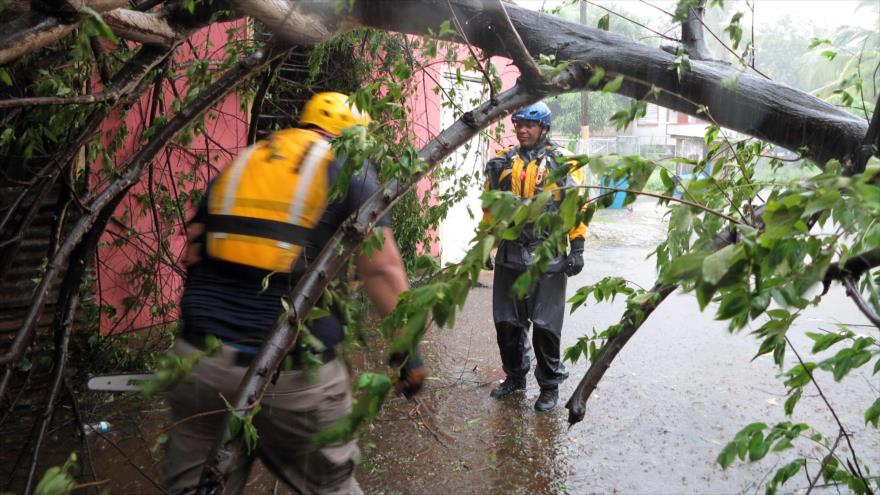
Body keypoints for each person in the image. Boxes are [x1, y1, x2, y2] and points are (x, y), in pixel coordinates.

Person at [161, 92, 424, 494]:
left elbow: (193, 249)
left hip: (199, 363)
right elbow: (383, 269)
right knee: (329, 484)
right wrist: (410, 356)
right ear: (354, 136)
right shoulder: (349, 166)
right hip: (290, 373)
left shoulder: (244, 160)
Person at [483, 101, 586, 412]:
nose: (522, 130)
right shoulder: (501, 163)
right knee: (507, 323)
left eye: (529, 125)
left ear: (544, 127)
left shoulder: (563, 163)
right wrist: (487, 244)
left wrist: (577, 247)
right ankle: (515, 377)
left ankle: (549, 386)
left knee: (545, 325)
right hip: (511, 254)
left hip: (548, 255)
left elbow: (575, 206)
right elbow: (491, 208)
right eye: (519, 124)